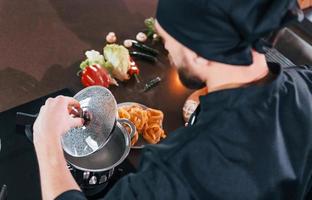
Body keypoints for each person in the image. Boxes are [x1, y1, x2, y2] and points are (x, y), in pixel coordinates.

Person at [33, 0, 312, 199]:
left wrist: (46, 141)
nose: (166, 46)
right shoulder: (305, 83)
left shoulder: (183, 167)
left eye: (170, 41)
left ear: (201, 52)